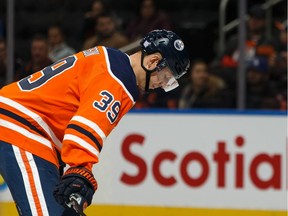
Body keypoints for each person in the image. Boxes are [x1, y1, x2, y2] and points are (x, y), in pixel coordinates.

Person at [0, 29, 190, 216]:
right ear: (153, 61)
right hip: (21, 128)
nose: (161, 84)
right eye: (165, 77)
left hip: (28, 129)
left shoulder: (109, 57)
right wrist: (80, 169)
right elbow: (85, 126)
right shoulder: (119, 80)